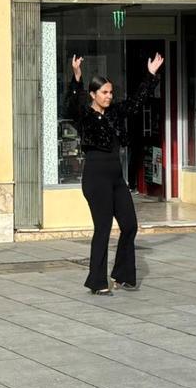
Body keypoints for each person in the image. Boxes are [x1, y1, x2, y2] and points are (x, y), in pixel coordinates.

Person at [64, 52, 165, 295]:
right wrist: (76, 78)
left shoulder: (115, 112)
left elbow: (136, 102)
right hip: (95, 177)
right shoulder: (85, 116)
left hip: (116, 177)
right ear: (93, 94)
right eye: (104, 93)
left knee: (130, 225)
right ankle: (97, 282)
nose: (109, 97)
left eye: (110, 92)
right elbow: (71, 104)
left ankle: (122, 274)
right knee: (103, 229)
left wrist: (150, 76)